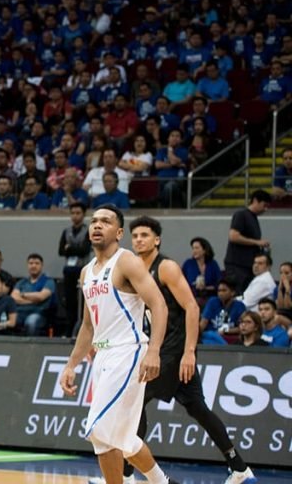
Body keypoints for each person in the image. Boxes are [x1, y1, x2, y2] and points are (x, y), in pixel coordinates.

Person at [90, 217, 254, 484]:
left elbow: (192, 307)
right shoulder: (131, 268)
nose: (139, 239)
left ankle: (126, 475)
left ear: (157, 240)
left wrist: (189, 352)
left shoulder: (165, 267)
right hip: (157, 347)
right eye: (136, 235)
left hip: (172, 349)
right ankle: (240, 469)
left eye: (145, 235)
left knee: (134, 400)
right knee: (197, 408)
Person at [58, 204, 177, 484]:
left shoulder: (127, 262)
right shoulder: (87, 272)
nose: (97, 225)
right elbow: (88, 325)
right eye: (94, 221)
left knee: (99, 429)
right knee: (123, 438)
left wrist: (154, 351)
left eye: (106, 221)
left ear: (119, 232)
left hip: (128, 351)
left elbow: (159, 304)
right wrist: (70, 365)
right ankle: (162, 482)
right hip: (102, 355)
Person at [223, 190, 270, 293]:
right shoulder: (241, 215)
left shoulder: (254, 219)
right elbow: (233, 236)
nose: (265, 209)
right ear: (255, 201)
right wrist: (256, 242)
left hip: (248, 266)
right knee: (238, 293)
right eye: (264, 205)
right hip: (237, 265)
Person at [60, 203, 92, 335]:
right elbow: (61, 251)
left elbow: (84, 250)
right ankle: (69, 330)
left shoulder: (88, 231)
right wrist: (74, 249)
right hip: (69, 270)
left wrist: (70, 248)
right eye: (72, 213)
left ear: (83, 214)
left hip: (83, 269)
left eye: (78, 213)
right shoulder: (66, 231)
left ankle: (83, 331)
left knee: (84, 302)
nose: (75, 216)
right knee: (70, 301)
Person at [199, 277, 246, 345]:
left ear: (232, 292)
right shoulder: (212, 302)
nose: (220, 293)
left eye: (224, 290)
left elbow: (243, 328)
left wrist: (226, 331)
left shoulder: (239, 306)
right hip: (211, 338)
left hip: (230, 339)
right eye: (219, 291)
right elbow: (203, 322)